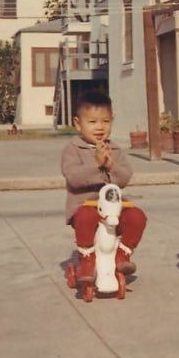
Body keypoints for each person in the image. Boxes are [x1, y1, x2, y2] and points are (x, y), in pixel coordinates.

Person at [61, 91, 147, 284]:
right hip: (85, 206)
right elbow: (73, 178)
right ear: (77, 123)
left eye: (105, 122)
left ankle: (123, 253)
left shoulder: (114, 149)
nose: (99, 127)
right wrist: (96, 164)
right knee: (85, 215)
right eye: (92, 122)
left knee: (137, 217)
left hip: (113, 208)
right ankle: (87, 257)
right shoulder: (73, 150)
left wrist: (111, 166)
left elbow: (125, 177)